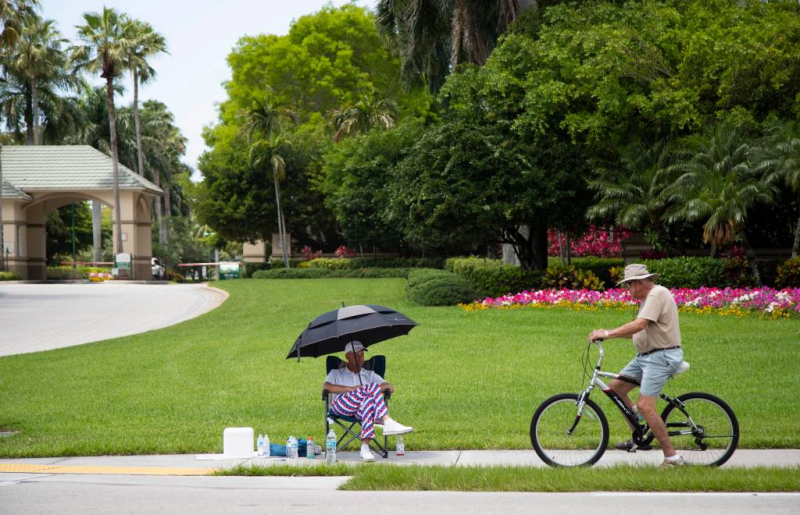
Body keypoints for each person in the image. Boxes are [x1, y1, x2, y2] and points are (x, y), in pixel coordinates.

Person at [588, 263, 685, 468]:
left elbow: (639, 325)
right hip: (646, 357)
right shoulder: (646, 299)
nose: (627, 291)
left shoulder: (657, 295)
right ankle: (638, 434)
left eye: (628, 286)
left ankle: (671, 457)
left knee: (645, 405)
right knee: (616, 388)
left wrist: (607, 333)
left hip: (661, 357)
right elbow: (635, 331)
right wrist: (607, 335)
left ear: (638, 283)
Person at [323, 341, 413, 461]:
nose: (361, 359)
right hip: (340, 406)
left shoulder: (369, 374)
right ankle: (386, 420)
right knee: (371, 387)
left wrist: (366, 390)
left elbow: (390, 387)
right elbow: (326, 387)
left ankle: (365, 448)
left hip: (361, 409)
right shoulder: (336, 373)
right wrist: (352, 389)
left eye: (362, 355)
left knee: (369, 400)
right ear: (347, 356)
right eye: (357, 355)